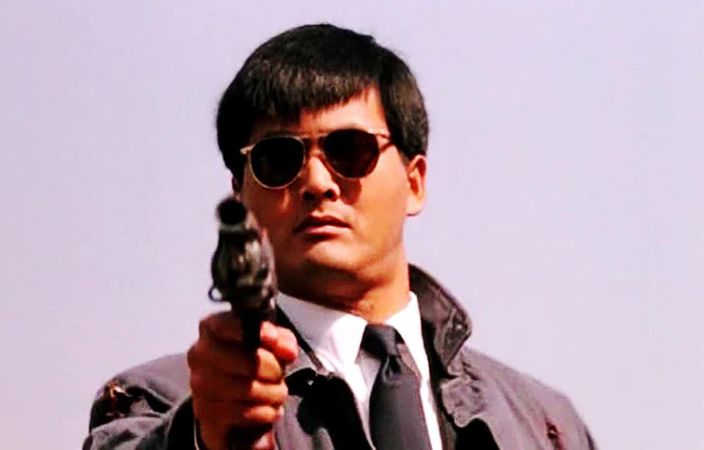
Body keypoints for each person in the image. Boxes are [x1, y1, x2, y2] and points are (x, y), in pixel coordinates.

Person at [83, 23, 596, 450]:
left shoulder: (543, 425)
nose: (316, 182)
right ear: (240, 194)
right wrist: (204, 437)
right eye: (278, 159)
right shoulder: (157, 403)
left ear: (415, 181)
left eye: (350, 150)